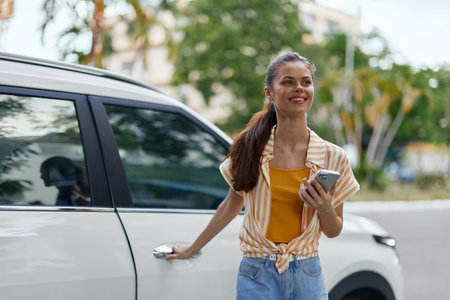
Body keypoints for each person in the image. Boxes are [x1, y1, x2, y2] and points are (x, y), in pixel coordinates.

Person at [167, 52, 360, 299]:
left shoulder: (334, 157)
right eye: (288, 82)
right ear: (269, 92)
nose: (299, 88)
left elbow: (333, 230)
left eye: (306, 82)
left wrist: (324, 207)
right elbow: (230, 206)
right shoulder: (249, 149)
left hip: (308, 274)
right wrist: (192, 248)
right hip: (257, 274)